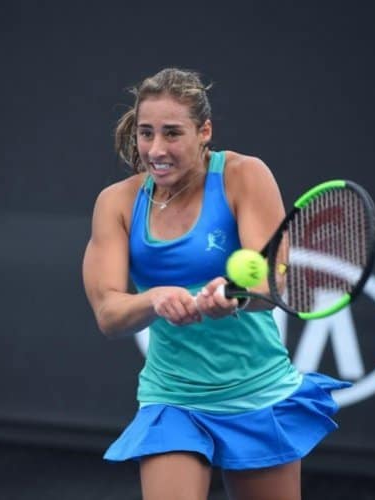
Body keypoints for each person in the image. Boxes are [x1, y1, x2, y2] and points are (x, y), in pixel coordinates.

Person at [82, 67, 349, 500]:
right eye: (146, 133)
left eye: (172, 133)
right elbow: (108, 314)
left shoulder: (244, 175)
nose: (156, 149)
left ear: (204, 131)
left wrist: (234, 296)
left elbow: (273, 283)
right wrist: (154, 299)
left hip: (256, 390)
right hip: (173, 395)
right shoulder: (117, 203)